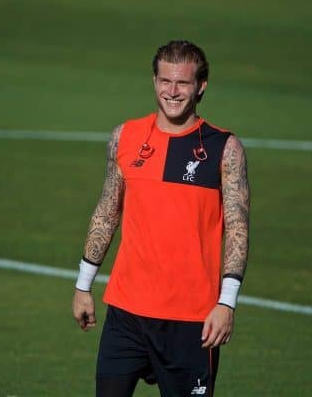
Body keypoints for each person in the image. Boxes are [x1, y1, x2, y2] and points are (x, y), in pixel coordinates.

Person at [72, 40, 250, 397]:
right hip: (126, 314)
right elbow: (107, 210)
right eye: (164, 81)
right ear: (154, 81)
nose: (172, 91)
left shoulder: (223, 148)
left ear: (201, 86)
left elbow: (238, 228)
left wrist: (226, 302)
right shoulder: (125, 137)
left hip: (192, 322)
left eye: (182, 83)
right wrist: (83, 284)